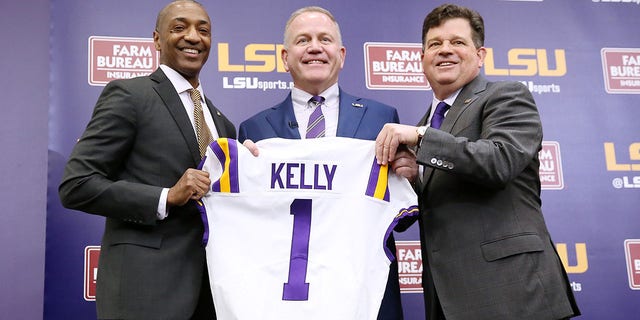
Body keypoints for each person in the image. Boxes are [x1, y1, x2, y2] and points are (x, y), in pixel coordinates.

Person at [375, 4, 581, 320]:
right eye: (435, 44)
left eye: (458, 42)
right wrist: (416, 177)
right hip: (449, 301)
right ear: (422, 59)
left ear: (480, 55)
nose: (445, 50)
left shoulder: (506, 95)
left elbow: (500, 160)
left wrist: (421, 136)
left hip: (514, 295)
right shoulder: (427, 124)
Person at [58, 1, 233, 318]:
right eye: (179, 27)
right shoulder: (129, 95)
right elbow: (77, 185)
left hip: (212, 296)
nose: (193, 37)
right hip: (144, 292)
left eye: (203, 30)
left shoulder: (222, 123)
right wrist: (167, 197)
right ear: (156, 39)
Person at [238, 6, 405, 320]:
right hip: (286, 294)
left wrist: (406, 174)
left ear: (341, 54)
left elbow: (400, 216)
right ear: (285, 57)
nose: (315, 47)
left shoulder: (384, 118)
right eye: (303, 40)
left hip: (362, 289)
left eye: (324, 39)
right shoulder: (254, 129)